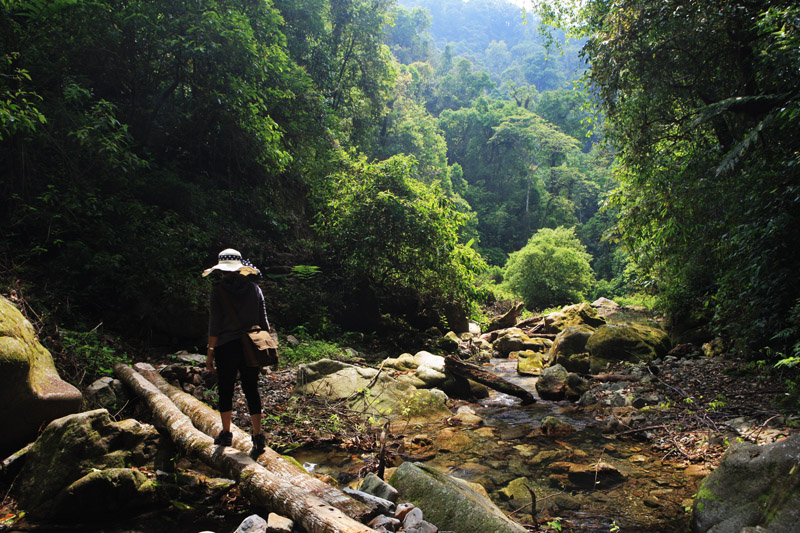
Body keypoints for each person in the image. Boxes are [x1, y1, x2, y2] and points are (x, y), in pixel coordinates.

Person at [203, 248, 269, 454]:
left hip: (226, 347)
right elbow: (263, 322)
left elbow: (214, 326)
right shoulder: (255, 289)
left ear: (221, 270)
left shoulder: (218, 292)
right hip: (251, 345)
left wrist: (210, 353)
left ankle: (226, 434)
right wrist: (263, 348)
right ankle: (258, 436)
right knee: (251, 388)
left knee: (226, 389)